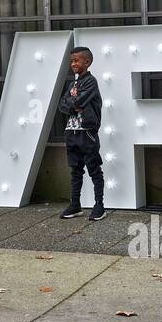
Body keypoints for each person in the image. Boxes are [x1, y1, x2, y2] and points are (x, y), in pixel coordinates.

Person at [58, 46, 107, 221]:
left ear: (87, 62)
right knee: (75, 171)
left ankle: (99, 205)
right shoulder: (73, 84)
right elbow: (62, 105)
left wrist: (73, 103)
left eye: (76, 60)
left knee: (94, 169)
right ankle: (75, 205)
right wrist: (73, 104)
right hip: (71, 132)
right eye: (71, 61)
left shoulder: (91, 82)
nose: (73, 64)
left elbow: (80, 100)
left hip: (87, 133)